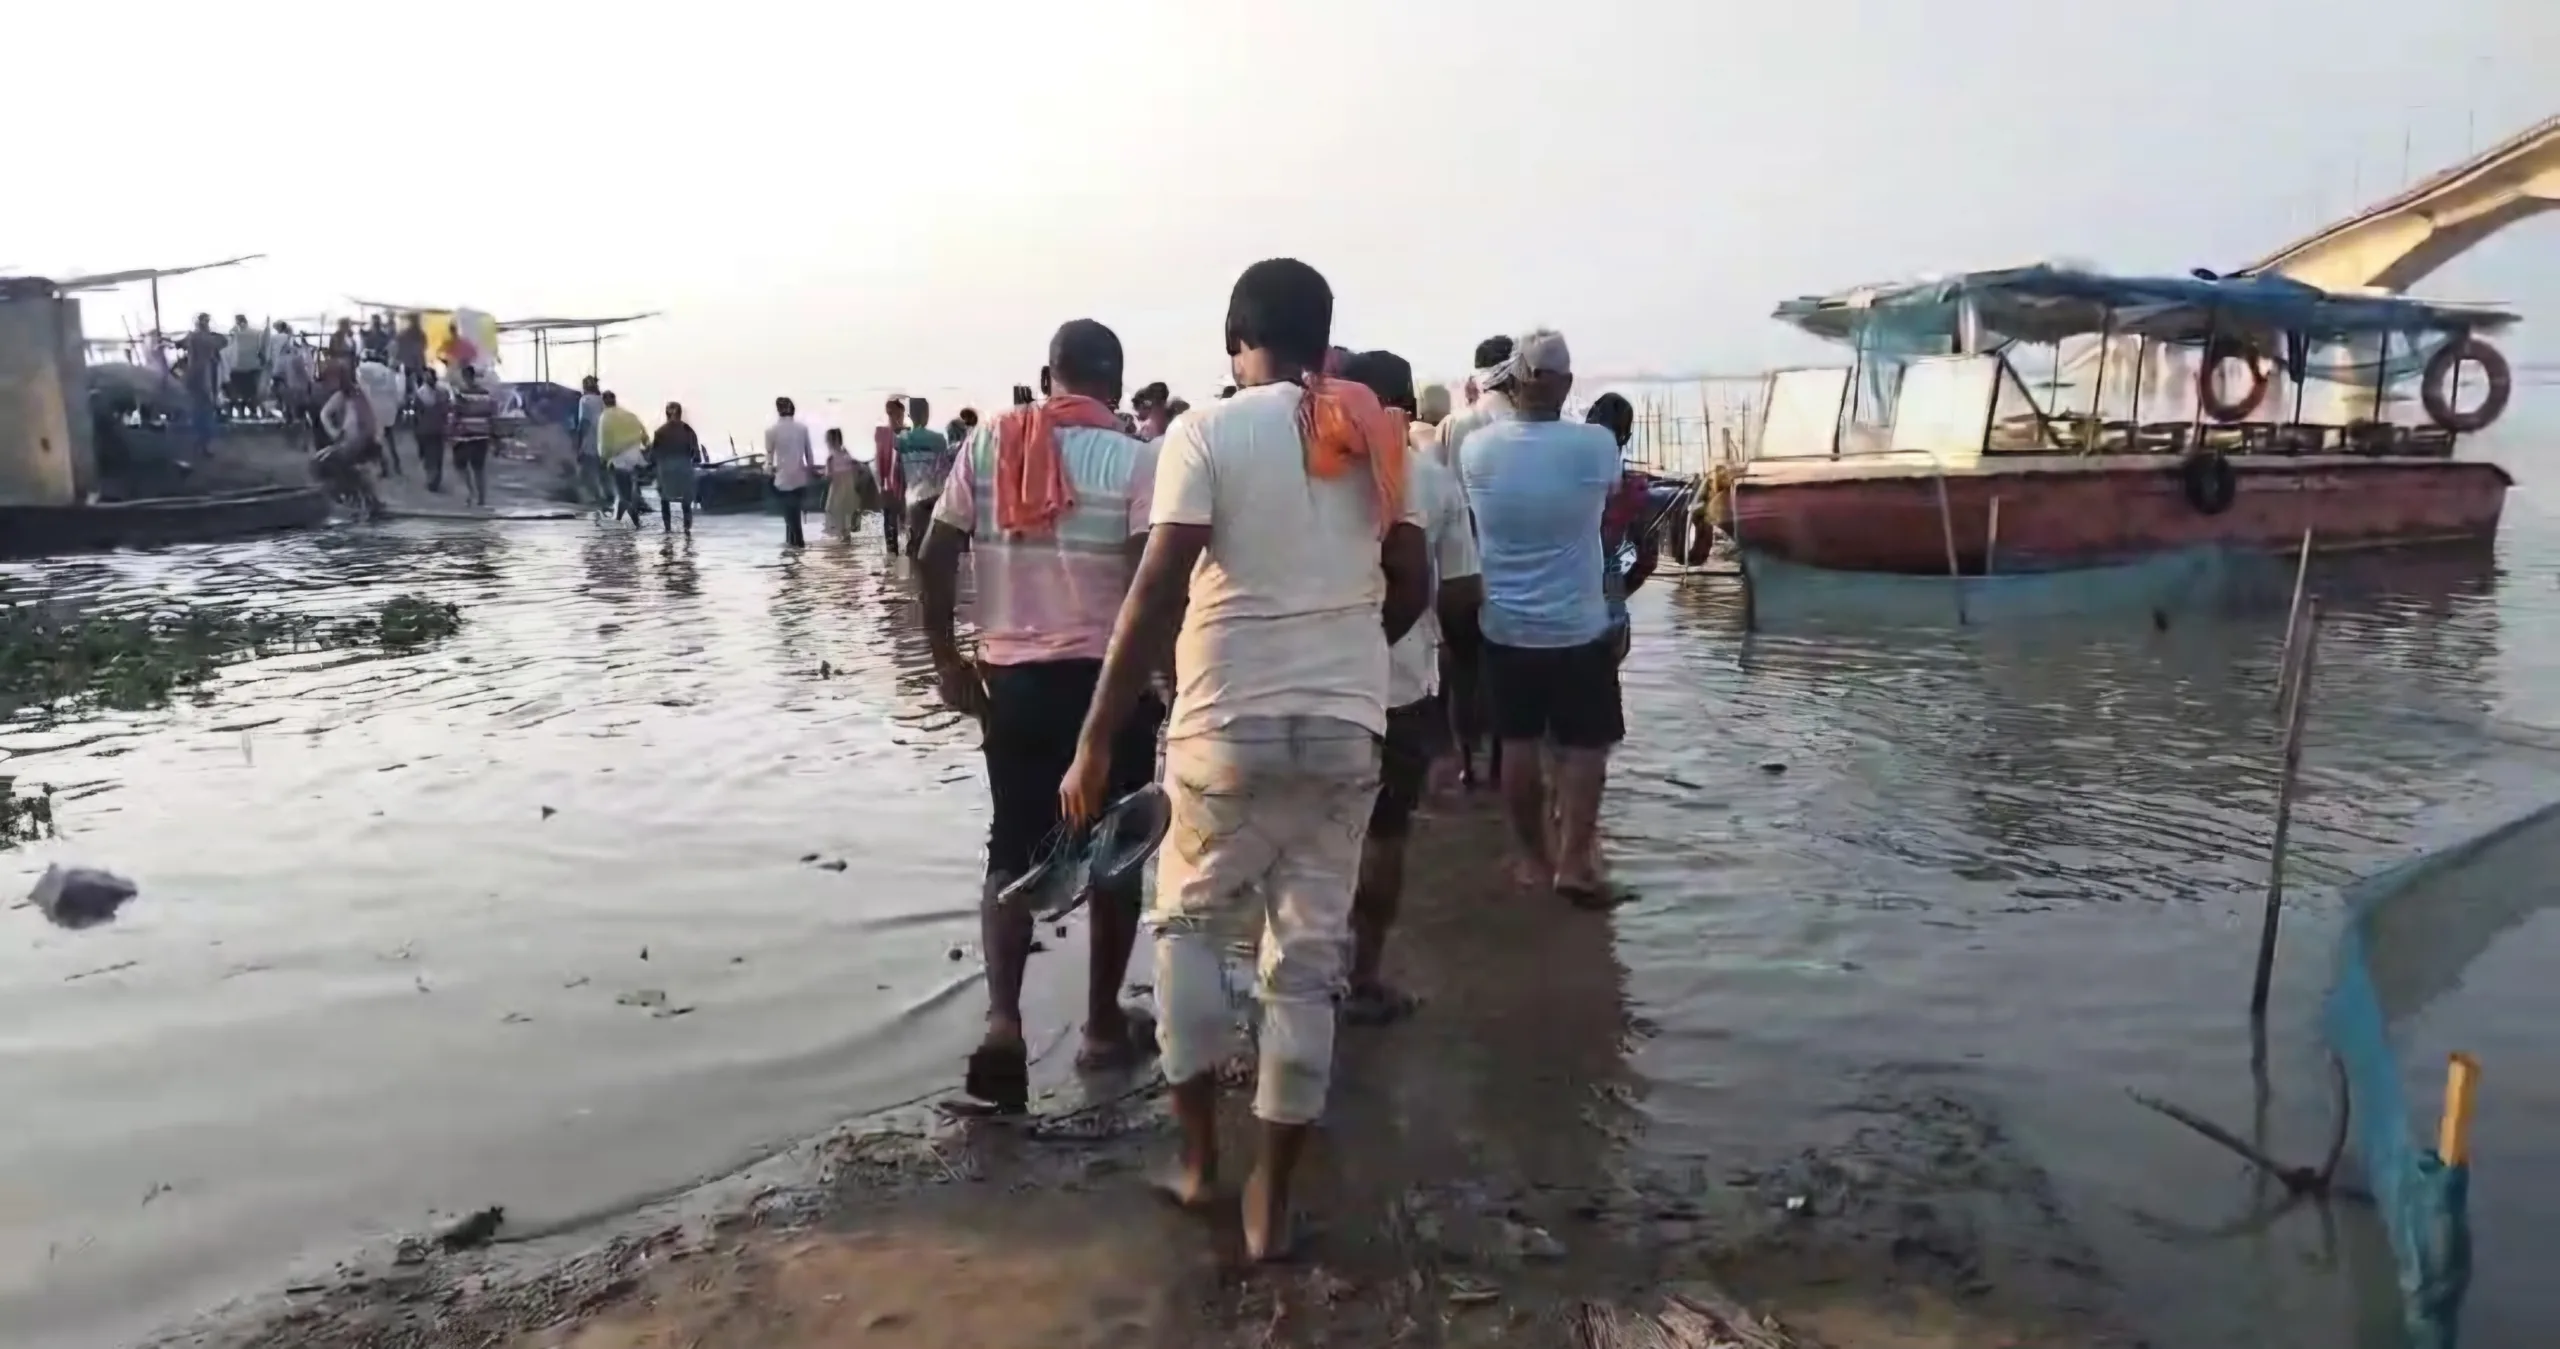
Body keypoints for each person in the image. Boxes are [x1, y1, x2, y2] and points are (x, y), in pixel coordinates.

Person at [1061, 258, 1429, 1261]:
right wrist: (1354, 645)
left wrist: (1097, 735)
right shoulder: (1377, 434)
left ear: (1237, 340)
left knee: (1184, 927)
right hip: (1345, 727)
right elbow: (1412, 578)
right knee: (1306, 965)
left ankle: (1196, 1164)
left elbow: (1156, 584)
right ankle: (1271, 1198)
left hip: (1226, 723)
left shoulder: (1206, 429)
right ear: (1323, 338)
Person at [919, 318, 1163, 1115]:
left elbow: (932, 551)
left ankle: (1003, 1024)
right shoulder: (1138, 460)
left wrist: (947, 660)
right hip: (1106, 684)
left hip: (1011, 684)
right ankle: (1098, 1026)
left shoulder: (990, 443)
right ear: (1117, 386)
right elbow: (1145, 581)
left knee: (1010, 847)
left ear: (1049, 374)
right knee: (1117, 849)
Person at [1335, 349, 1480, 1026]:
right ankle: (1363, 975)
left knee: (1308, 835)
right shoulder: (1430, 478)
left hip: (1315, 685)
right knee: (1386, 833)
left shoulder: (1315, 472)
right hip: (1400, 686)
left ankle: (1295, 979)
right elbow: (1459, 592)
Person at [1455, 330, 1625, 907]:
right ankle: (1575, 860)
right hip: (1579, 625)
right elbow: (1610, 496)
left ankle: (1533, 857)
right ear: (1566, 383)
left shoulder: (1476, 450)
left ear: (1517, 380)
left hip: (1505, 623)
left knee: (1519, 743)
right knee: (1585, 747)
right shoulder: (1596, 446)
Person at [1583, 393, 1660, 664]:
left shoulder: (1564, 481)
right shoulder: (1634, 491)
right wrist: (1617, 592)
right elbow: (1648, 560)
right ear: (1625, 438)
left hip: (1562, 614)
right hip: (1610, 612)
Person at [316, 367, 387, 519]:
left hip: (362, 443)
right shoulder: (344, 396)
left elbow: (374, 419)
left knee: (350, 469)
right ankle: (351, 498)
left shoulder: (360, 395)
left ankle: (364, 499)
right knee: (323, 462)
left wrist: (376, 437)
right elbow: (325, 414)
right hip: (350, 443)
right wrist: (334, 432)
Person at [893, 396, 951, 559]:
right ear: (927, 414)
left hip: (913, 498)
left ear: (910, 416)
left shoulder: (902, 440)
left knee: (913, 547)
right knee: (933, 550)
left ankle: (911, 581)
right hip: (935, 498)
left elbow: (898, 474)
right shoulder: (939, 440)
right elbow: (944, 472)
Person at [765, 395, 815, 549]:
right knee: (795, 514)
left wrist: (768, 472)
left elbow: (769, 458)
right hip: (800, 477)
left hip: (783, 479)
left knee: (789, 516)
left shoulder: (771, 431)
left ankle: (797, 545)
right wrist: (811, 472)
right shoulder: (803, 428)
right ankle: (793, 547)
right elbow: (809, 455)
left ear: (778, 410)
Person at [172, 314, 227, 450]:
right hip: (207, 374)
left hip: (194, 374)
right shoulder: (212, 338)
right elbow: (224, 342)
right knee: (206, 407)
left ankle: (198, 439)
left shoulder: (193, 336)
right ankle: (204, 441)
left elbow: (178, 344)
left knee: (196, 406)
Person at [597, 391, 652, 525]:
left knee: (624, 493)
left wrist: (603, 458)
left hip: (619, 459)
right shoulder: (630, 415)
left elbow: (604, 440)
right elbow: (643, 433)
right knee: (625, 489)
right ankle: (618, 519)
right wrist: (646, 445)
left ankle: (636, 522)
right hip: (634, 457)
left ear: (603, 402)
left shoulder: (606, 416)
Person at [650, 401, 704, 533]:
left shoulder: (660, 432)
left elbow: (653, 455)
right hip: (684, 469)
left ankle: (667, 529)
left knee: (665, 499)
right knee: (686, 502)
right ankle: (687, 529)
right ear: (681, 413)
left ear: (666, 414)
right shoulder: (688, 430)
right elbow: (697, 456)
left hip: (666, 470)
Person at [449, 365, 499, 507]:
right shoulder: (486, 394)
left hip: (464, 436)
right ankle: (481, 498)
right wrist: (494, 436)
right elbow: (492, 416)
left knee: (461, 466)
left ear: (465, 376)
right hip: (482, 435)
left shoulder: (461, 394)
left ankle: (470, 494)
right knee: (479, 468)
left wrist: (450, 434)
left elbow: (454, 415)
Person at [873, 397, 907, 555]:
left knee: (902, 521)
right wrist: (880, 483)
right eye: (895, 415)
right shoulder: (882, 433)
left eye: (900, 415)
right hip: (888, 483)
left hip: (904, 483)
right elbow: (880, 459)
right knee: (890, 520)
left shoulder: (907, 433)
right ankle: (892, 555)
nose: (898, 418)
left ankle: (903, 557)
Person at [411, 368, 452, 492]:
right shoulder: (442, 393)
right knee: (434, 456)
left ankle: (432, 479)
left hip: (429, 430)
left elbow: (416, 414)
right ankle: (434, 479)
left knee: (431, 456)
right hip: (433, 430)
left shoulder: (421, 394)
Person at [572, 376, 608, 513]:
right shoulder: (603, 401)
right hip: (604, 443)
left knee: (586, 473)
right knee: (601, 474)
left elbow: (584, 423)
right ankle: (605, 500)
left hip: (590, 442)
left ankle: (594, 501)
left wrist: (578, 442)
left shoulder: (585, 400)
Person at [822, 426, 863, 541]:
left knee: (835, 513)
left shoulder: (830, 458)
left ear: (831, 441)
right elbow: (857, 468)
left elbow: (828, 475)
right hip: (849, 488)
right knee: (847, 516)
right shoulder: (847, 454)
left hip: (837, 489)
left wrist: (822, 474)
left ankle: (842, 544)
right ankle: (846, 541)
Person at [225, 315, 266, 419]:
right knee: (252, 392)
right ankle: (253, 411)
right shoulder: (256, 333)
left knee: (239, 392)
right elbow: (262, 349)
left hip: (237, 367)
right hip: (253, 366)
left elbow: (228, 348)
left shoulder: (233, 333)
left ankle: (241, 413)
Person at [394, 313, 431, 393]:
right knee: (419, 386)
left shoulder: (404, 334)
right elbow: (425, 346)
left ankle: (411, 399)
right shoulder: (421, 334)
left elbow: (398, 346)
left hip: (410, 364)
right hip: (417, 364)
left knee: (410, 385)